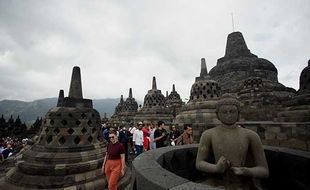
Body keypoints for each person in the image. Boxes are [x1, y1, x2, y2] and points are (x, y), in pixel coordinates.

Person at [195, 95, 269, 190]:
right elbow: (199, 163)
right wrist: (216, 168)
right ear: (217, 114)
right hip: (218, 182)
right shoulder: (208, 134)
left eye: (232, 111)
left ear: (239, 114)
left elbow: (264, 170)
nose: (228, 115)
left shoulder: (251, 135)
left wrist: (245, 171)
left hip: (242, 183)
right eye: (224, 112)